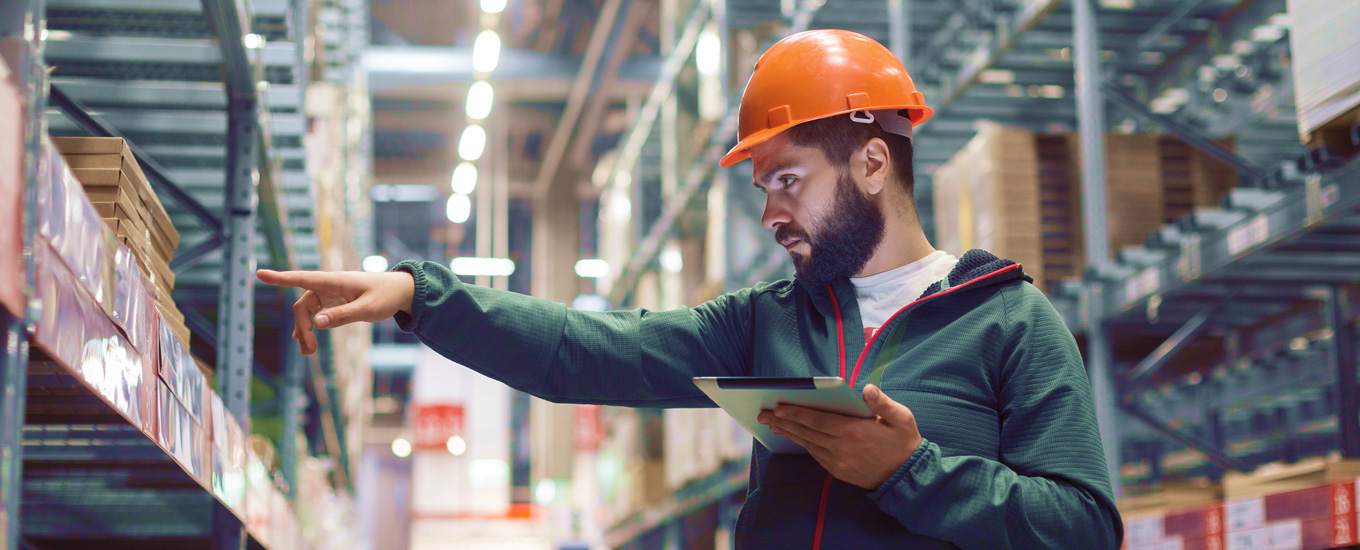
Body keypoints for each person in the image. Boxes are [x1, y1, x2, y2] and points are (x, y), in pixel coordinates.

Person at [259, 29, 1122, 549]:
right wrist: (419, 292)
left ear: (870, 163)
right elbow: (587, 351)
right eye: (763, 190)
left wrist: (911, 472)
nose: (771, 213)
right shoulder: (763, 324)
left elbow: (1083, 528)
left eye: (789, 181)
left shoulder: (1009, 320)